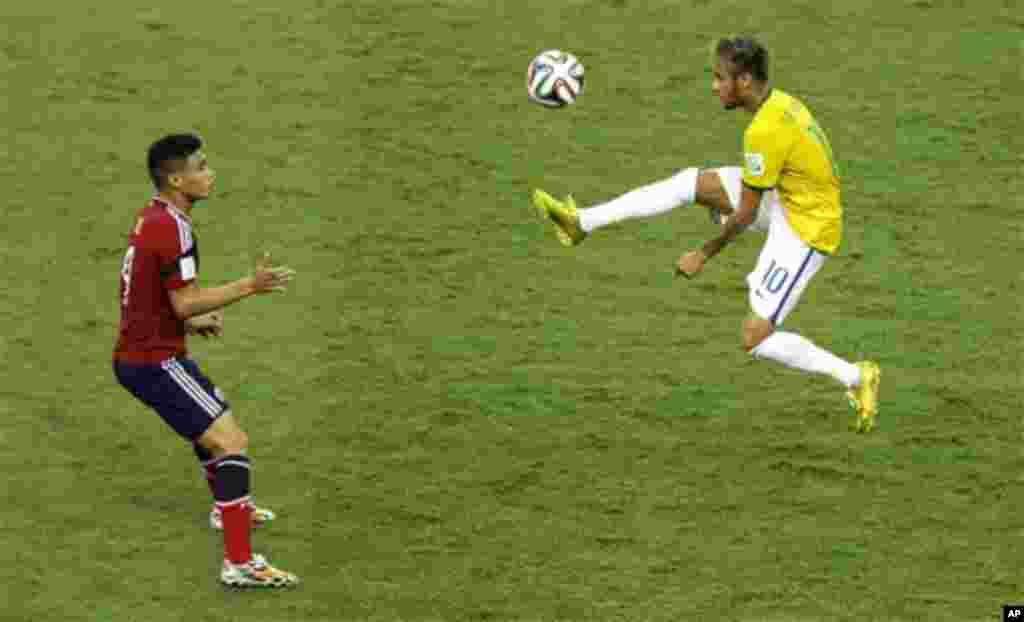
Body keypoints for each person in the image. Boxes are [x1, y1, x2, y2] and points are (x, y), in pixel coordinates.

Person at [532, 36, 881, 432]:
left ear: (745, 81)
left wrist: (703, 253)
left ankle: (856, 377)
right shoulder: (780, 103)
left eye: (720, 78)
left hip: (808, 228)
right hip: (791, 196)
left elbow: (747, 213)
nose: (714, 86)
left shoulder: (764, 132)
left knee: (757, 339)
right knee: (691, 184)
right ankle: (582, 222)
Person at [113, 133, 300, 587]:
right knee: (231, 441)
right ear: (176, 178)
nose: (209, 173)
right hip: (153, 361)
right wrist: (250, 286)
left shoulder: (154, 217)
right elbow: (183, 303)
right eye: (200, 167)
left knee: (216, 430)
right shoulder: (172, 228)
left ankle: (228, 509)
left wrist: (194, 322)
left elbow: (146, 292)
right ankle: (239, 563)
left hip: (149, 351)